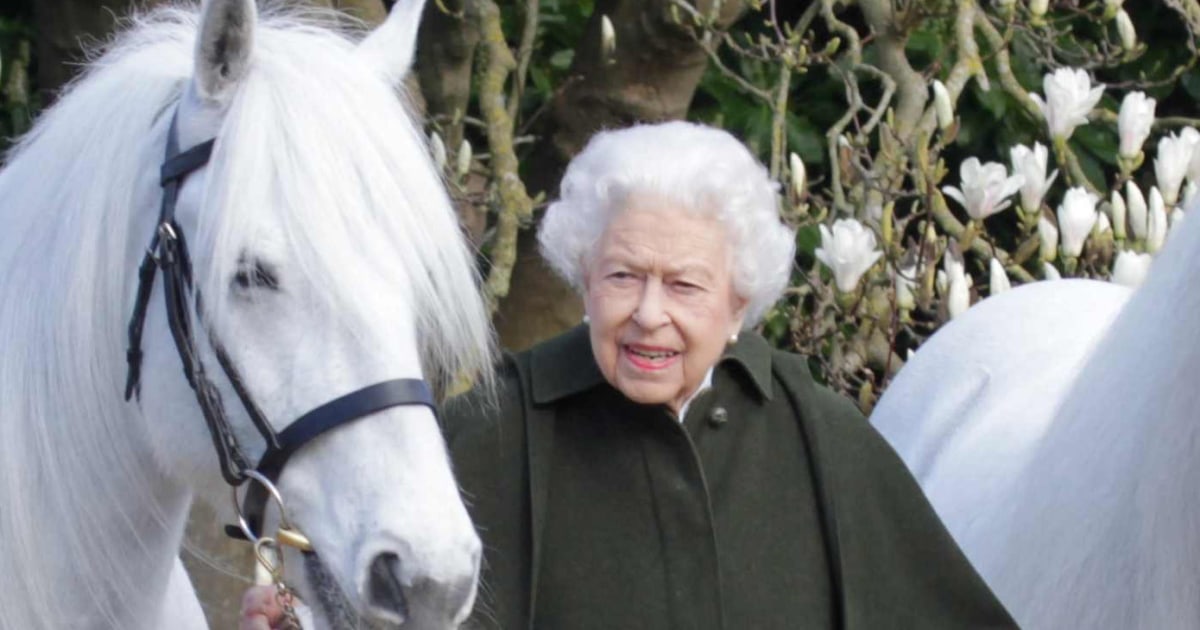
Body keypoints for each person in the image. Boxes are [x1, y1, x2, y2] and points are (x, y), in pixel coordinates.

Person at [242, 121, 1015, 629]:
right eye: (622, 277)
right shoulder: (493, 429)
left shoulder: (820, 438)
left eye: (683, 286)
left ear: (738, 300)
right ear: (584, 279)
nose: (648, 314)